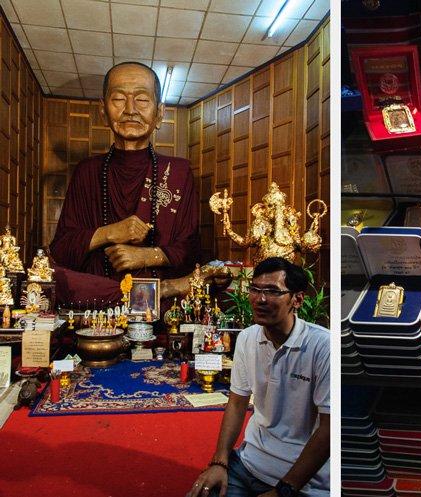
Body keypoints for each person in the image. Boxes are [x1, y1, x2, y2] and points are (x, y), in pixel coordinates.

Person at [50, 61, 201, 307]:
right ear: (103, 111)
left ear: (160, 113)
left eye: (142, 100)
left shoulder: (178, 172)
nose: (130, 110)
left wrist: (146, 256)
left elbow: (190, 251)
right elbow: (61, 251)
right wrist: (109, 233)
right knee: (51, 277)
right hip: (96, 302)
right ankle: (136, 296)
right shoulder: (87, 171)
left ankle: (147, 295)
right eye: (119, 99)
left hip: (158, 299)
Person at [187, 257, 330, 497]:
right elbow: (236, 403)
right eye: (255, 289)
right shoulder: (247, 338)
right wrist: (219, 461)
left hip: (303, 478)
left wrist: (283, 490)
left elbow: (329, 428)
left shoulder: (322, 346)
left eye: (272, 291)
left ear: (297, 299)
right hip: (249, 463)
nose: (260, 299)